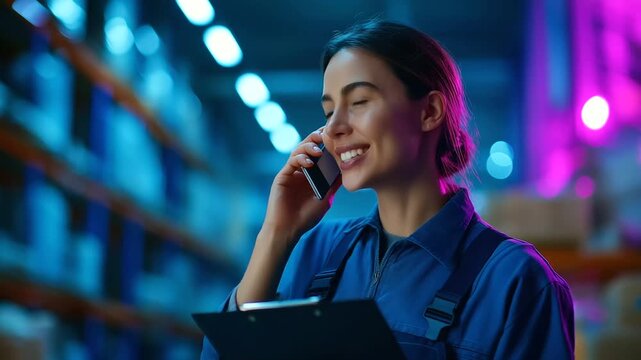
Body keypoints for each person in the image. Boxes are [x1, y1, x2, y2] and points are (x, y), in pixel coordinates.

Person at [201, 19, 574, 359]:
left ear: (429, 112)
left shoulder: (515, 280)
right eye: (330, 111)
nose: (333, 129)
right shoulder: (315, 250)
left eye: (359, 101)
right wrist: (277, 234)